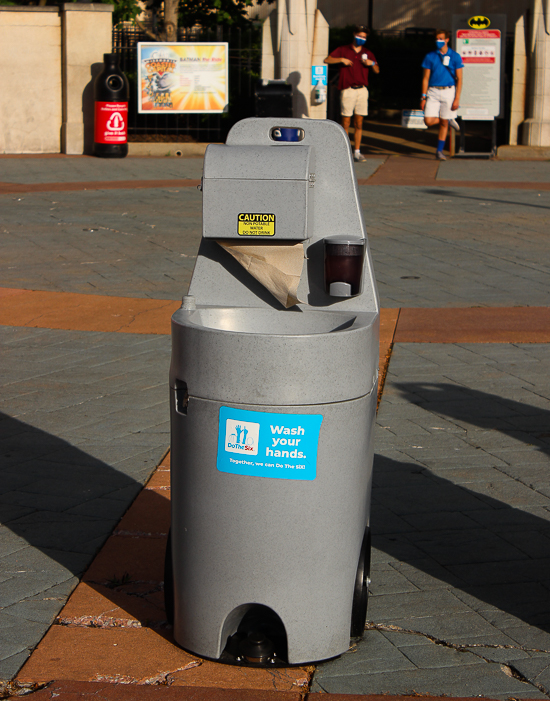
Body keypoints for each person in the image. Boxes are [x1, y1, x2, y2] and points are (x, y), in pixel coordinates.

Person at [324, 26, 380, 162]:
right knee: (346, 121)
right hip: (347, 89)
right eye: (359, 36)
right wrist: (341, 60)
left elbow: (377, 70)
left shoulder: (367, 52)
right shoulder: (343, 50)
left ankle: (357, 151)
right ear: (354, 35)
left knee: (359, 123)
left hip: (362, 90)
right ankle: (345, 150)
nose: (361, 39)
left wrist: (371, 63)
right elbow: (327, 59)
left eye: (364, 37)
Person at [420, 29, 464, 160]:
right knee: (428, 121)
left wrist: (457, 98)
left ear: (447, 39)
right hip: (433, 91)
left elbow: (460, 78)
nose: (438, 41)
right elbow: (425, 78)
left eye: (441, 39)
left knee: (443, 123)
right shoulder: (430, 56)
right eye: (437, 39)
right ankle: (448, 118)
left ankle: (439, 151)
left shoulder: (455, 56)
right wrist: (423, 96)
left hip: (449, 90)